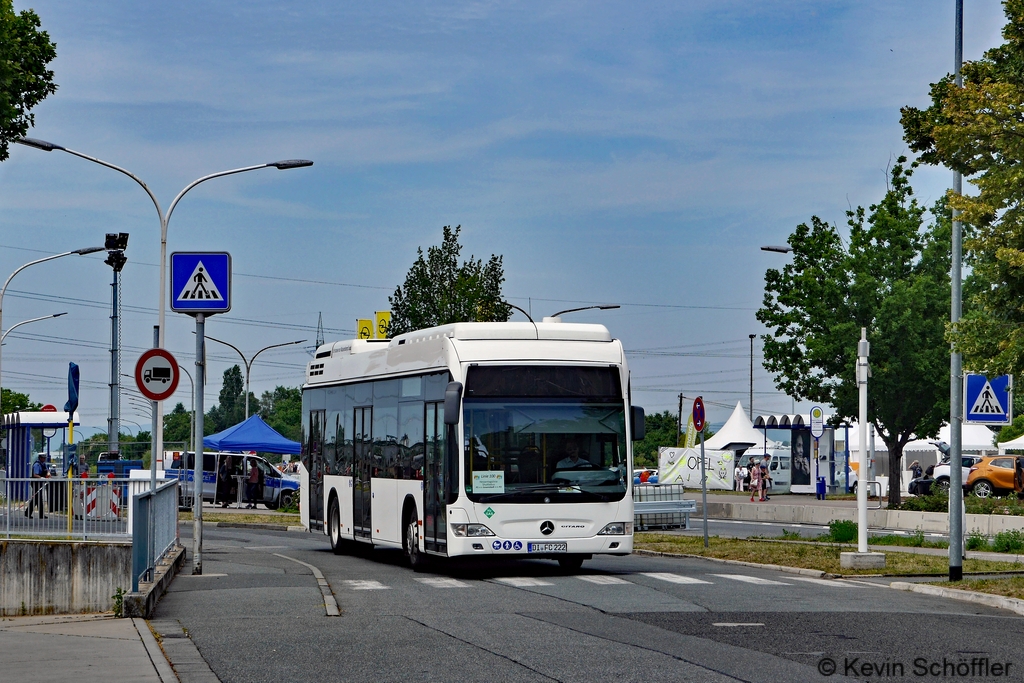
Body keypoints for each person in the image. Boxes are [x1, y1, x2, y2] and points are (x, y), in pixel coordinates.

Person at [26, 452, 50, 518]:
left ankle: (28, 513)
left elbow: (47, 471)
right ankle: (30, 513)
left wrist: (48, 474)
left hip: (40, 483)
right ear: (39, 458)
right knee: (37, 498)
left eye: (45, 458)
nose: (44, 459)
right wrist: (41, 477)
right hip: (35, 483)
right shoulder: (37, 465)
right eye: (43, 458)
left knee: (37, 499)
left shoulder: (43, 464)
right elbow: (35, 475)